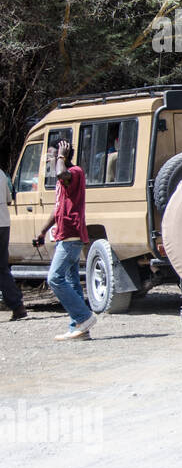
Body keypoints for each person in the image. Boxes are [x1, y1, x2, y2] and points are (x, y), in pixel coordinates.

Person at [34, 140, 95, 340]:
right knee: (72, 282)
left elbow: (62, 173)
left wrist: (61, 156)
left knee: (54, 278)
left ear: (64, 155)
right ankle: (78, 328)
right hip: (63, 235)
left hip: (72, 235)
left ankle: (84, 316)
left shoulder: (74, 173)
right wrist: (43, 232)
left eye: (51, 157)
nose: (49, 161)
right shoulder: (62, 182)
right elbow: (57, 208)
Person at [0, 166, 26, 320]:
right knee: (2, 268)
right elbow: (9, 199)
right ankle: (17, 306)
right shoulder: (2, 174)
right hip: (3, 223)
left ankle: (17, 305)